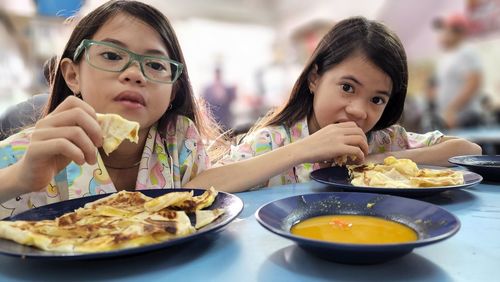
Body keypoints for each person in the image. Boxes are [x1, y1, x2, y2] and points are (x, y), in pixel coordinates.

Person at [186, 17, 482, 192]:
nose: (358, 110)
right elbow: (200, 187)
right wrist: (304, 149)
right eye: (347, 87)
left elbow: (469, 151)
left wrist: (380, 162)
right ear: (315, 79)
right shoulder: (275, 139)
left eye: (377, 99)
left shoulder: (383, 141)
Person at [0, 0, 217, 218]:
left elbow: (205, 200)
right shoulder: (22, 155)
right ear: (73, 75)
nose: (135, 74)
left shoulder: (180, 141)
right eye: (112, 56)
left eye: (155, 65)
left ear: (172, 91)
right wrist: (19, 177)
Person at [430, 12, 484, 129]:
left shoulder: (466, 52)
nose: (442, 34)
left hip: (464, 116)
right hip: (449, 115)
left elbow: (473, 84)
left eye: (447, 30)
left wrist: (452, 110)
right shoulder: (447, 55)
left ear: (459, 32)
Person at [202, 67, 236, 131]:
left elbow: (231, 100)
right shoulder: (208, 89)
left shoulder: (227, 88)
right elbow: (204, 104)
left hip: (226, 121)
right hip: (213, 121)